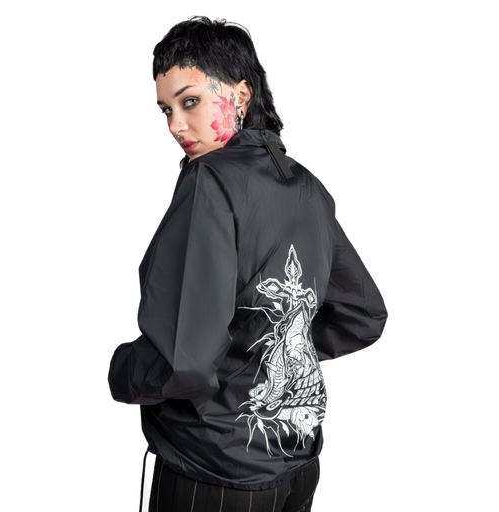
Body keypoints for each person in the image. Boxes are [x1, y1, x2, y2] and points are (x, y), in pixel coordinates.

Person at [107, 13, 390, 512]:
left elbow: (185, 363)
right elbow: (365, 314)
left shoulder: (210, 183)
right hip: (298, 464)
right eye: (164, 110)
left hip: (212, 472)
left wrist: (121, 372)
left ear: (239, 95)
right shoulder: (305, 183)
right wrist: (270, 357)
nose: (174, 125)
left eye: (189, 102)